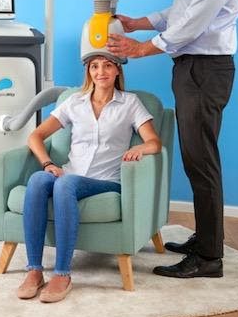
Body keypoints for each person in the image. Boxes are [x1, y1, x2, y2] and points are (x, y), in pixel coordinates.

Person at [107, 0, 238, 278]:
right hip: (193, 68)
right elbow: (179, 12)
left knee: (201, 162)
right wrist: (141, 22)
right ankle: (206, 240)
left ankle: (209, 259)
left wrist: (140, 48)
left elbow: (191, 25)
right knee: (195, 159)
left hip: (205, 69)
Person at [16, 54, 161, 302]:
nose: (100, 71)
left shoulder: (130, 103)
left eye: (107, 65)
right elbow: (35, 136)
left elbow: (155, 143)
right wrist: (48, 163)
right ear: (88, 72)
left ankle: (62, 274)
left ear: (117, 71)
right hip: (70, 174)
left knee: (65, 183)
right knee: (38, 180)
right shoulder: (75, 102)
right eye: (94, 66)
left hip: (106, 181)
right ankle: (35, 271)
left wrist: (140, 148)